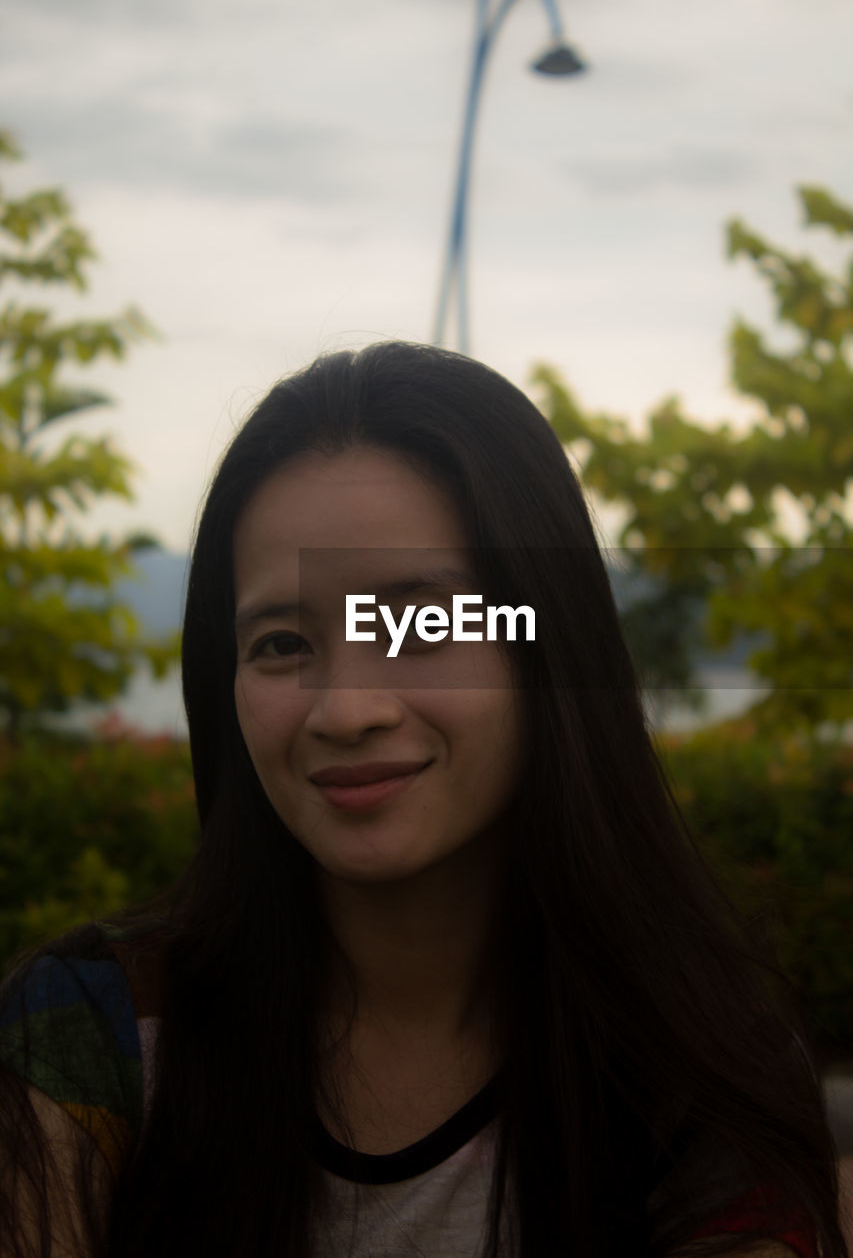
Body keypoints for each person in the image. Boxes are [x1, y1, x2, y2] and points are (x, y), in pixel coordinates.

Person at [0, 341, 846, 1258]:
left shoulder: (697, 1075)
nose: (347, 710)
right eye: (282, 643)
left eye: (420, 622)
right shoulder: (97, 1036)